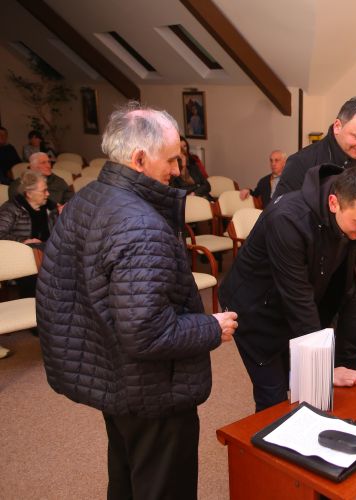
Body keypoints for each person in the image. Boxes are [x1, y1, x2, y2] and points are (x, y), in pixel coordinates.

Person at [36, 102, 238, 500]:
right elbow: (148, 333)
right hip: (151, 389)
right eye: (172, 159)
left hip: (115, 376)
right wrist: (211, 327)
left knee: (127, 475)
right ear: (140, 158)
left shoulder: (89, 198)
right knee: (162, 486)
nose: (178, 170)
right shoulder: (141, 225)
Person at [219, 164, 356, 412]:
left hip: (304, 299)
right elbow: (298, 298)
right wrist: (323, 369)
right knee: (275, 396)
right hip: (257, 310)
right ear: (334, 203)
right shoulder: (287, 219)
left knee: (311, 386)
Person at [273, 96, 356, 265]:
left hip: (352, 257)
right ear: (337, 126)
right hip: (314, 260)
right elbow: (280, 218)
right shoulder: (301, 162)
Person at [0, 170, 57, 298]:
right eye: (44, 191)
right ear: (29, 193)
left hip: (46, 254)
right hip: (22, 257)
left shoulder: (49, 208)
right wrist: (23, 241)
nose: (48, 194)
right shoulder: (11, 209)